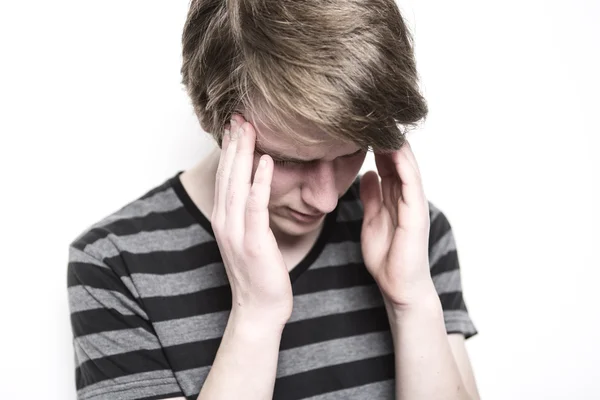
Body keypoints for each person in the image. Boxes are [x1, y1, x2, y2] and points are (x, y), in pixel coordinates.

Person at [67, 0, 480, 399]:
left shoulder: (412, 234)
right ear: (212, 113)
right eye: (287, 159)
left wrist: (410, 303)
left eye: (352, 152)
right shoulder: (114, 263)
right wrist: (256, 318)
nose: (326, 200)